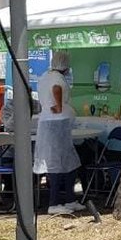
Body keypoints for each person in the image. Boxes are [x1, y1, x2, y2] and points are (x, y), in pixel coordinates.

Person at [34, 50, 85, 216]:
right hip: (56, 124)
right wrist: (59, 105)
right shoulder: (57, 78)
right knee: (56, 164)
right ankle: (54, 203)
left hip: (52, 123)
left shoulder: (45, 76)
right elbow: (56, 88)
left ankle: (70, 199)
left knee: (70, 162)